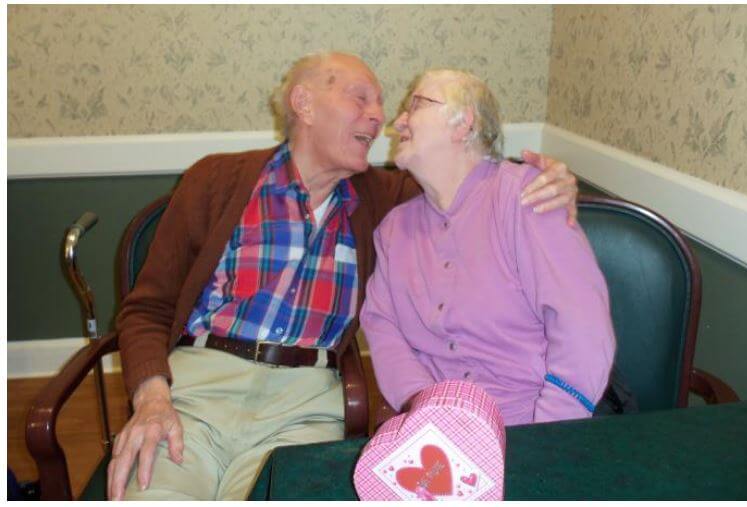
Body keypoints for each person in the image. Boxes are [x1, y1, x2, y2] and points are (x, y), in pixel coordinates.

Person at [107, 53, 579, 500]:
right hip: (196, 391)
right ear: (304, 103)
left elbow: (469, 183)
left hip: (305, 405)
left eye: (382, 104)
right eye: (361, 98)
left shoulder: (389, 197)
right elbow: (148, 307)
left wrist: (548, 182)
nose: (380, 117)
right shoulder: (216, 179)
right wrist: (152, 398)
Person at [361, 69, 615, 427]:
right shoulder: (394, 229)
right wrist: (426, 409)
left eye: (415, 105)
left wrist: (548, 435)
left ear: (463, 124)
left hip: (533, 426)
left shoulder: (527, 197)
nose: (398, 122)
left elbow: (583, 331)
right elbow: (382, 326)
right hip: (436, 434)